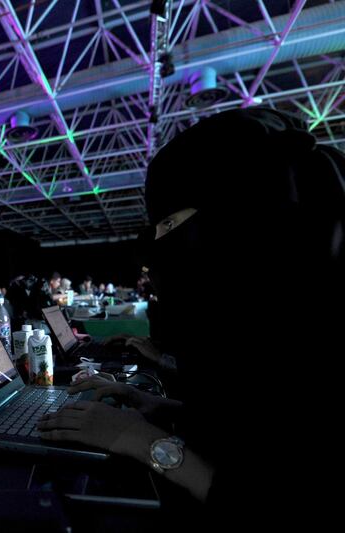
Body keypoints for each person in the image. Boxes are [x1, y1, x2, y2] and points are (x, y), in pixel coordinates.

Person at [37, 108, 343, 525]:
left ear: (237, 215)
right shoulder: (280, 307)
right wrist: (159, 407)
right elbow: (250, 426)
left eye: (168, 223)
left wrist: (143, 440)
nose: (158, 246)